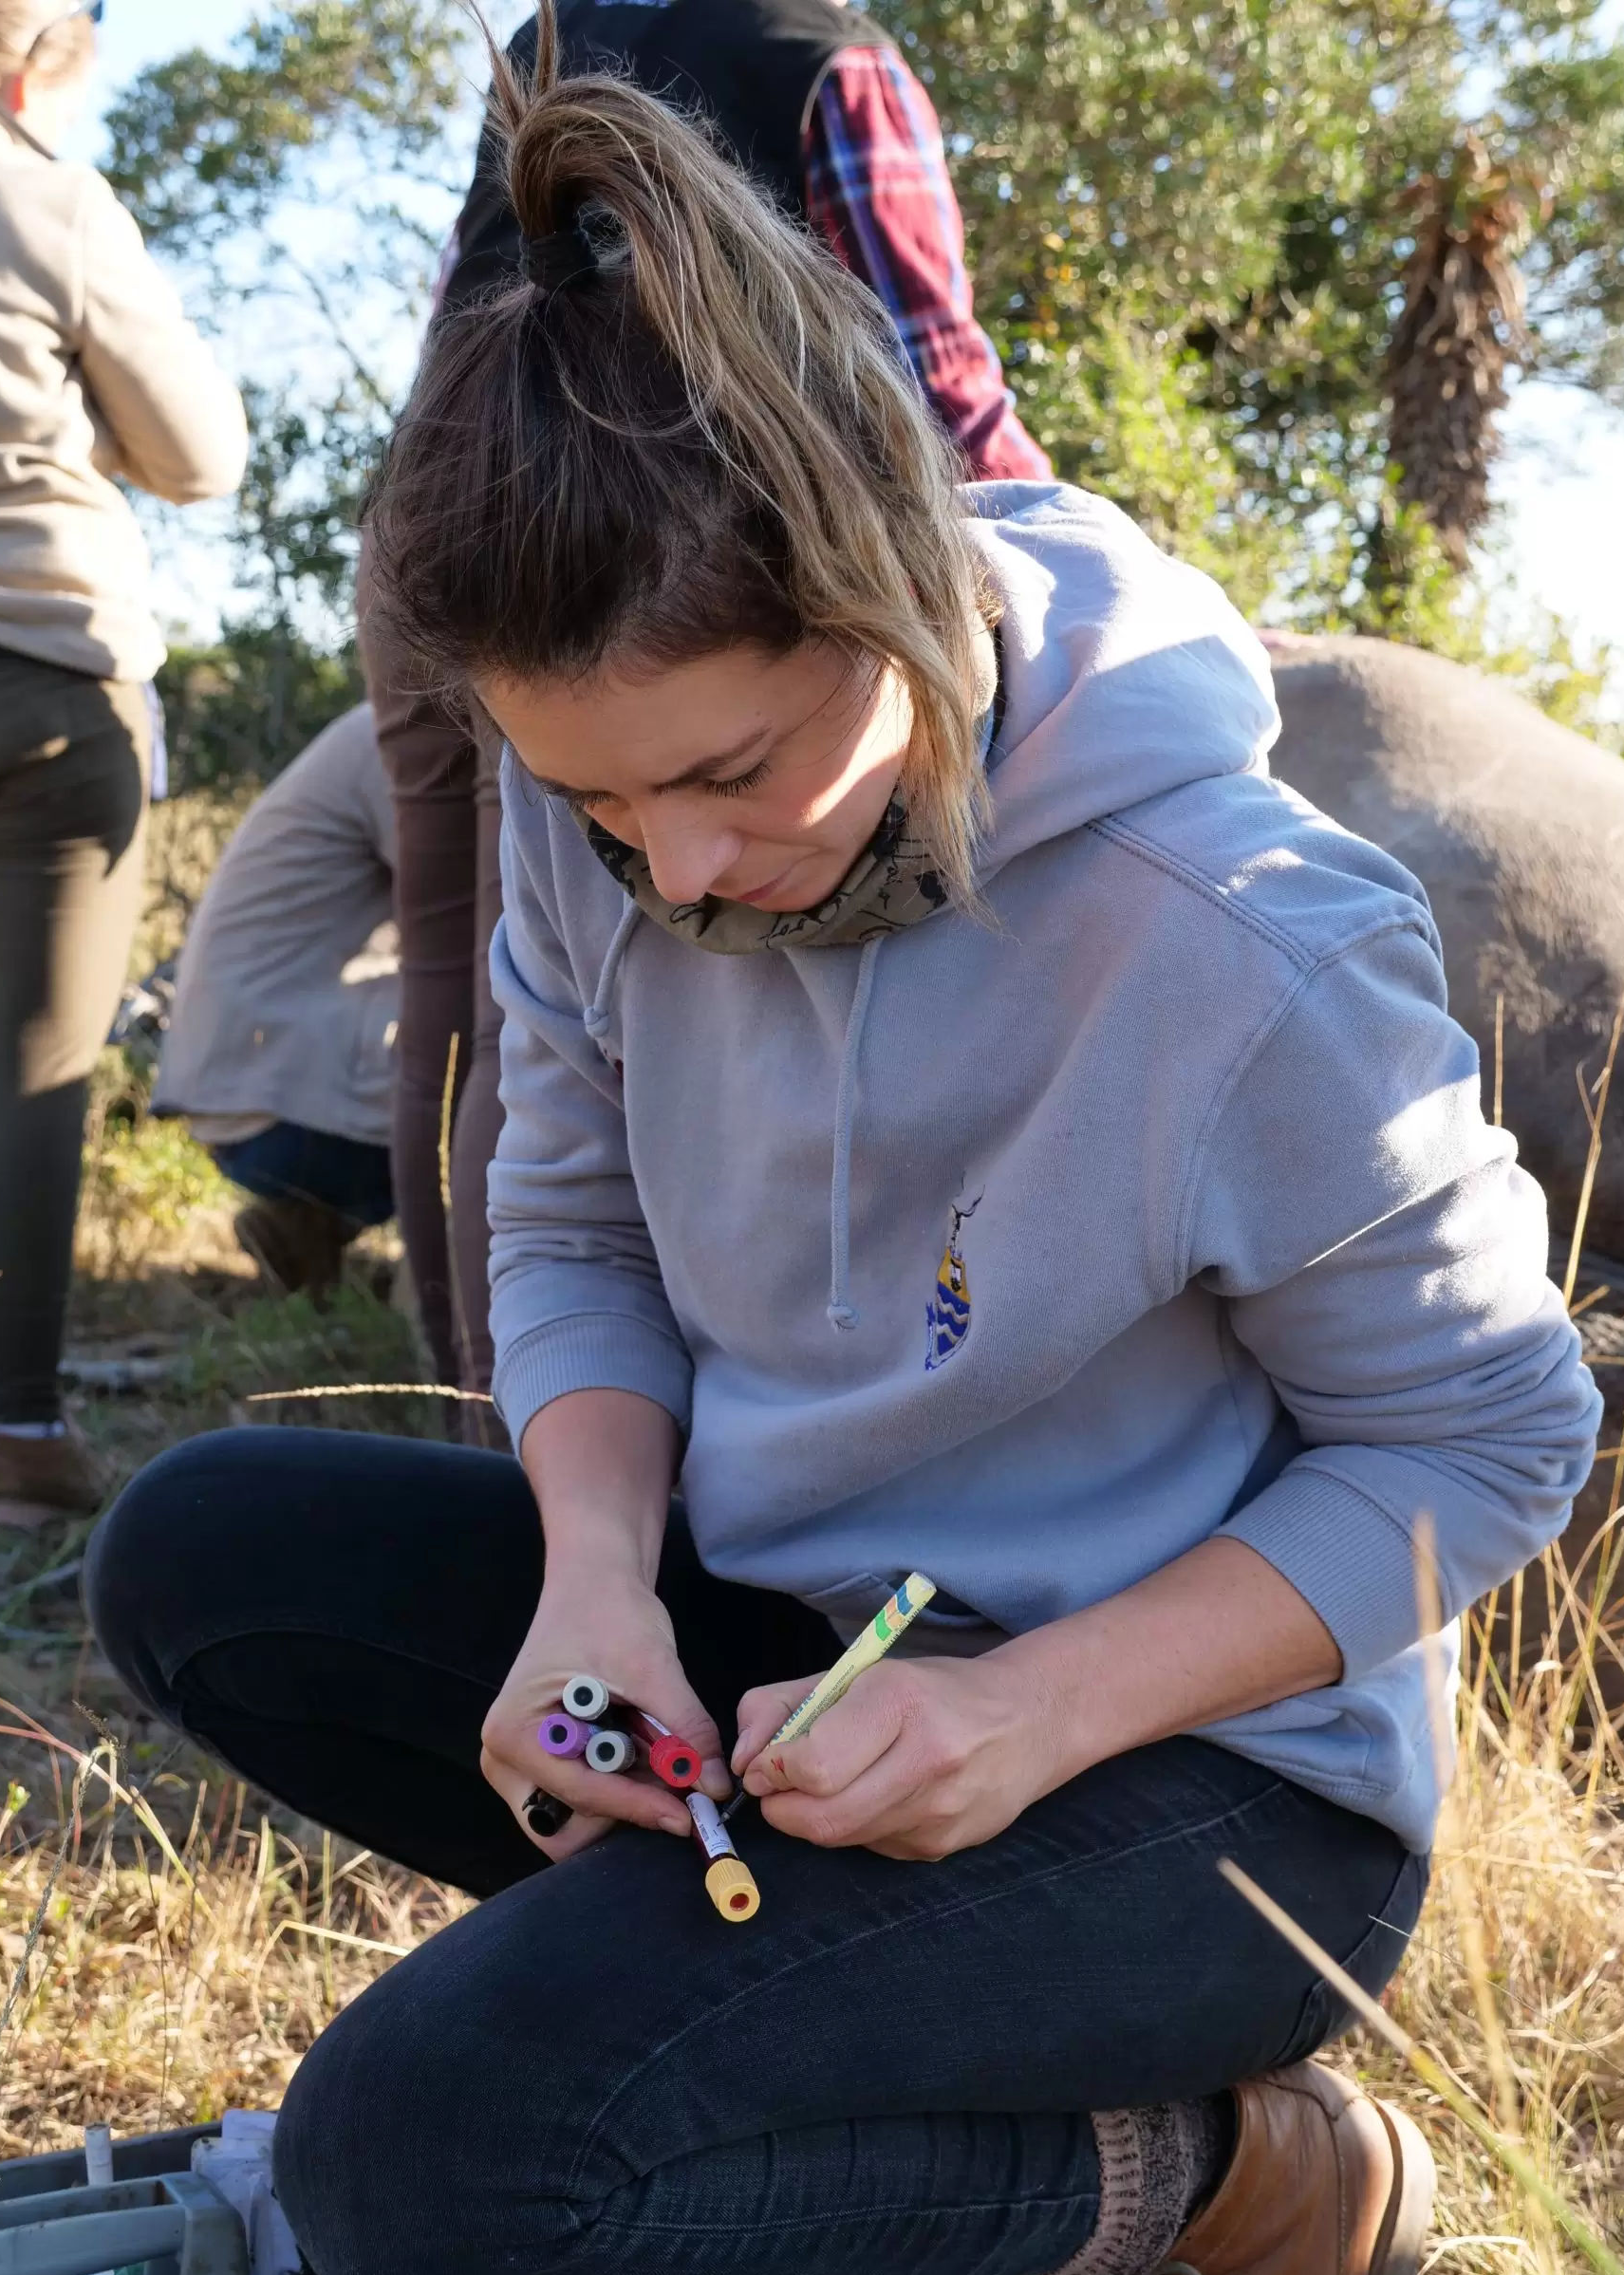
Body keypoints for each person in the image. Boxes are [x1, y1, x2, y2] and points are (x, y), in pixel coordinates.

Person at [85, 29, 1601, 2275]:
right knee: (203, 1550)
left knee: (429, 2184)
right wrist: (595, 1572)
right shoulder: (608, 837)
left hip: (1209, 1776)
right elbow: (569, 1209)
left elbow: (1490, 1441)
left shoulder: (1235, 935)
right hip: (803, 1650)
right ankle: (773, 2109)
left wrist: (1029, 1705)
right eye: (593, 800)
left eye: (733, 770)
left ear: (898, 591)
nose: (675, 871)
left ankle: (1232, 2179)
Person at [368, 0, 1049, 1415]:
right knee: (549, 996)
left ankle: (473, 1389)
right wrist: (1075, 552)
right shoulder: (828, 59)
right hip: (660, 588)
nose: (672, 854)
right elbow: (929, 381)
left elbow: (469, 317)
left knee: (462, 988)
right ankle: (561, 1430)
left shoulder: (551, 40)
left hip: (452, 556)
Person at [0, 0, 246, 1521]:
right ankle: (12, 1439)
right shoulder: (41, 195)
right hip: (37, 678)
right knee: (30, 1067)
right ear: (32, 55)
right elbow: (199, 455)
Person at [151, 704, 398, 1302]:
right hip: (279, 1116)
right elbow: (482, 930)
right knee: (511, 1027)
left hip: (234, 1103)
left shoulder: (365, 731)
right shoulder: (410, 737)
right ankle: (453, 1293)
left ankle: (309, 1229)